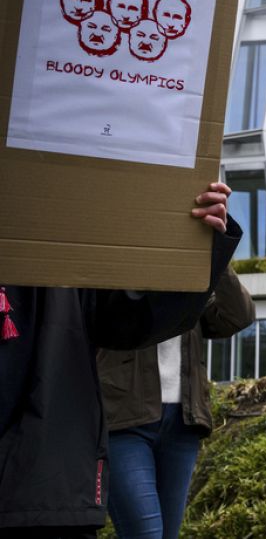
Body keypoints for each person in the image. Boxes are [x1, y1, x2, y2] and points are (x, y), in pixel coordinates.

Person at [0, 182, 240, 538]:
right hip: (124, 419)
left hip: (177, 420)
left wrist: (202, 247)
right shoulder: (94, 248)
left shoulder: (77, 244)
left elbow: (233, 317)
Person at [99, 266, 254, 539]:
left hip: (183, 421)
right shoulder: (115, 264)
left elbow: (237, 316)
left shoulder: (191, 277)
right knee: (145, 534)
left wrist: (215, 253)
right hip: (124, 419)